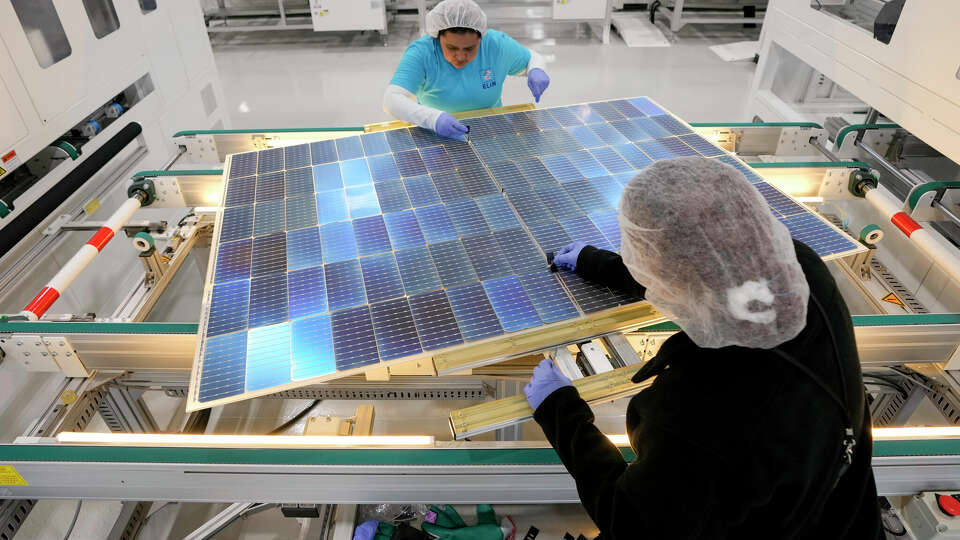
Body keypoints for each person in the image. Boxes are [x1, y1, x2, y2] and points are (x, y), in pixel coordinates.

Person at [525, 157, 883, 539]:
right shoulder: (801, 271)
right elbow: (706, 272)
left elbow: (629, 521)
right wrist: (598, 264)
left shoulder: (701, 419)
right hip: (850, 515)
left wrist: (559, 411)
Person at [383, 0, 550, 142]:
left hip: (492, 131)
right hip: (437, 135)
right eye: (451, 47)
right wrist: (434, 119)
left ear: (481, 39)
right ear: (436, 36)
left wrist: (536, 69)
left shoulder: (496, 45)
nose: (461, 56)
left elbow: (531, 57)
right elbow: (392, 99)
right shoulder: (422, 52)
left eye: (470, 48)